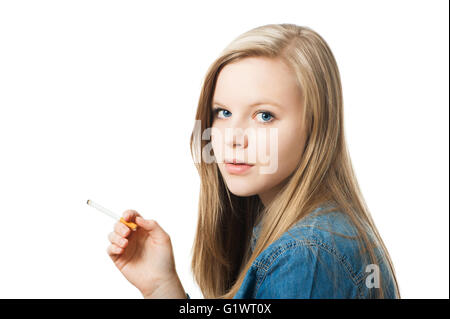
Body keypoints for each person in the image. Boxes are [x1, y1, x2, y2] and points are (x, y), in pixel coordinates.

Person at [106, 23, 400, 299]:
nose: (233, 138)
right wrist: (162, 287)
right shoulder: (300, 235)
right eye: (223, 112)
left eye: (264, 116)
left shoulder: (306, 257)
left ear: (315, 126)